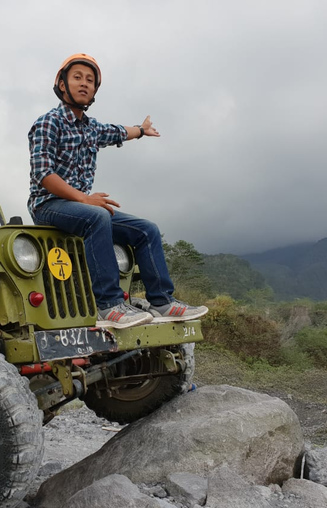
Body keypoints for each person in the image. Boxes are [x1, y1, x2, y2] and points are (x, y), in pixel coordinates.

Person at [27, 53, 208, 329]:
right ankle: (109, 305)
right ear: (62, 84)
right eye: (77, 77)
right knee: (97, 215)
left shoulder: (92, 128)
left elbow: (117, 132)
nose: (84, 84)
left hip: (81, 208)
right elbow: (44, 174)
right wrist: (84, 198)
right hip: (49, 205)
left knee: (147, 229)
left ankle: (162, 301)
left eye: (90, 80)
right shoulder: (47, 123)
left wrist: (140, 129)